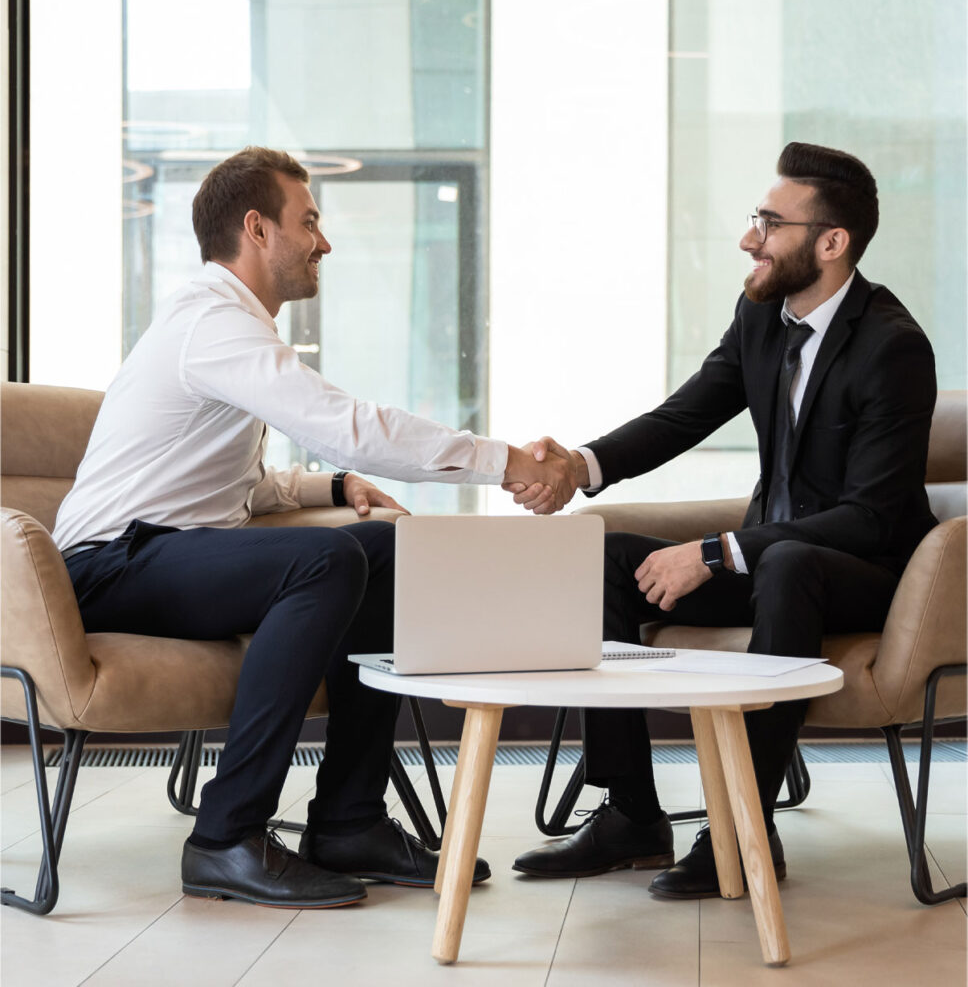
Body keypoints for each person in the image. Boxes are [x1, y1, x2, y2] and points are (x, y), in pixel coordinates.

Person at [53, 146, 568, 910]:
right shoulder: (213, 322)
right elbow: (350, 426)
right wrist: (506, 462)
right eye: (311, 221)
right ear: (257, 229)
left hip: (170, 550)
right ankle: (225, 837)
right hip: (109, 565)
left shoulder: (226, 327)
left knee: (386, 548)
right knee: (324, 560)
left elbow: (228, 483)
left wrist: (330, 486)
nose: (324, 242)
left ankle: (348, 821)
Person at [507, 142, 937, 896]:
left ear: (831, 243)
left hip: (866, 575)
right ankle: (631, 814)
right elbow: (686, 414)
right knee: (598, 557)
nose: (749, 239)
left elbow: (869, 518)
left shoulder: (892, 348)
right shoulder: (762, 316)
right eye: (755, 219)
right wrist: (579, 467)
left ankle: (742, 825)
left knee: (788, 562)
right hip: (770, 563)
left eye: (770, 223)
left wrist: (715, 551)